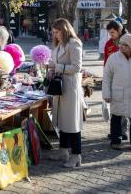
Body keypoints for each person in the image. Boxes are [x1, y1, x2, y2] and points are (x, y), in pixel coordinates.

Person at [48, 18, 83, 168]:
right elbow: (56, 63)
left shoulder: (74, 44)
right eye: (54, 32)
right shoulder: (58, 45)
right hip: (59, 86)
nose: (55, 35)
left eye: (57, 32)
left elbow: (77, 67)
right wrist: (51, 68)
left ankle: (76, 156)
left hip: (69, 87)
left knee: (72, 122)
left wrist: (58, 67)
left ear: (65, 30)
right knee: (62, 120)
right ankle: (63, 151)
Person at [104, 20, 131, 140]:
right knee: (117, 111)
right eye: (109, 33)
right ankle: (119, 132)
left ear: (119, 30)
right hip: (117, 82)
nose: (111, 35)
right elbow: (106, 65)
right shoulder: (109, 44)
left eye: (112, 32)